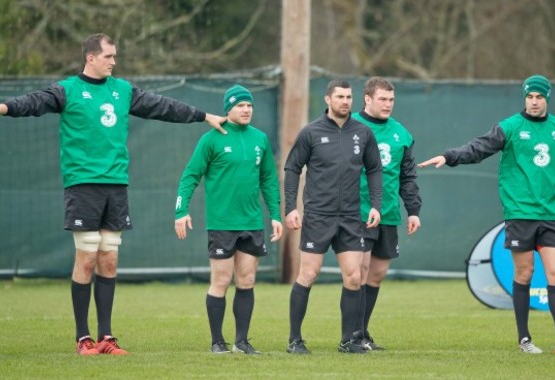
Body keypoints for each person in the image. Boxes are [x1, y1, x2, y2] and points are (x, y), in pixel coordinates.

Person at [0, 33, 227, 356]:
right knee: (86, 257)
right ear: (91, 58)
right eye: (109, 56)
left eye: (115, 56)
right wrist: (1, 107)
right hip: (83, 183)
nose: (114, 61)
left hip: (116, 184)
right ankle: (83, 338)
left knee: (109, 258)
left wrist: (203, 116)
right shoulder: (67, 90)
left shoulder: (122, 91)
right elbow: (35, 102)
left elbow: (161, 106)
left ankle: (106, 338)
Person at [418, 74, 555, 355]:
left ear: (547, 98)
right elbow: (478, 147)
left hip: (551, 213)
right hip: (520, 213)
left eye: (539, 97)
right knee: (525, 271)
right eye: (529, 97)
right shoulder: (509, 127)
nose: (533, 102)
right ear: (525, 98)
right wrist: (449, 156)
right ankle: (525, 339)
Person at [174, 84, 283, 355]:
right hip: (222, 223)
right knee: (221, 281)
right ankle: (217, 342)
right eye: (240, 106)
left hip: (252, 223)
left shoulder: (260, 139)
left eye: (249, 105)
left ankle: (242, 341)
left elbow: (269, 180)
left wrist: (276, 215)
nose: (246, 110)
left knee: (246, 281)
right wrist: (181, 210)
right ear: (228, 109)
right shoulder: (211, 139)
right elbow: (190, 175)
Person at [284, 79, 383, 354]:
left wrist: (376, 204)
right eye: (340, 96)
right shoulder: (311, 133)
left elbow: (374, 169)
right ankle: (295, 340)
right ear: (328, 99)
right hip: (318, 216)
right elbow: (292, 168)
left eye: (349, 97)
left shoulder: (362, 133)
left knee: (353, 277)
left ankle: (347, 341)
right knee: (309, 274)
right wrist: (291, 207)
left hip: (351, 217)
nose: (345, 101)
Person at [351, 77, 422, 351]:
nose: (388, 104)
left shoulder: (401, 134)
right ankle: (353, 335)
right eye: (382, 99)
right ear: (367, 99)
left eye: (391, 100)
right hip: (359, 212)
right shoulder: (351, 127)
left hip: (390, 213)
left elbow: (407, 176)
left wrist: (413, 210)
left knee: (376, 274)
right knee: (360, 271)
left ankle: (363, 332)